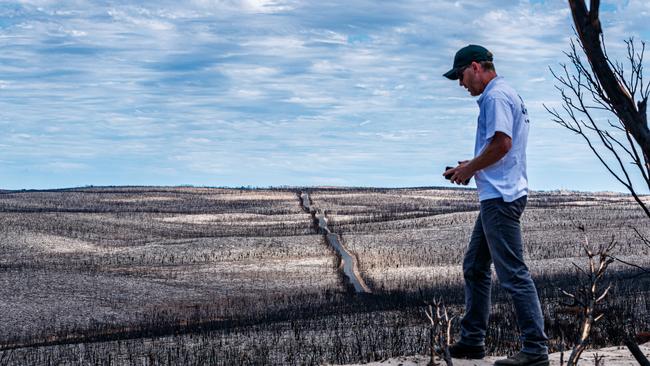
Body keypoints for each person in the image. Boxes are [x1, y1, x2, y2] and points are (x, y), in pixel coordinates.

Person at [441, 45, 549, 366]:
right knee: (475, 266)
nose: (461, 84)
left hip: (501, 198)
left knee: (513, 274)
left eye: (460, 76)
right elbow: (499, 147)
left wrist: (470, 169)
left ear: (475, 67)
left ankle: (535, 349)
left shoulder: (495, 97)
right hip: (499, 195)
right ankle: (472, 341)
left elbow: (503, 143)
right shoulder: (505, 93)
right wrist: (472, 162)